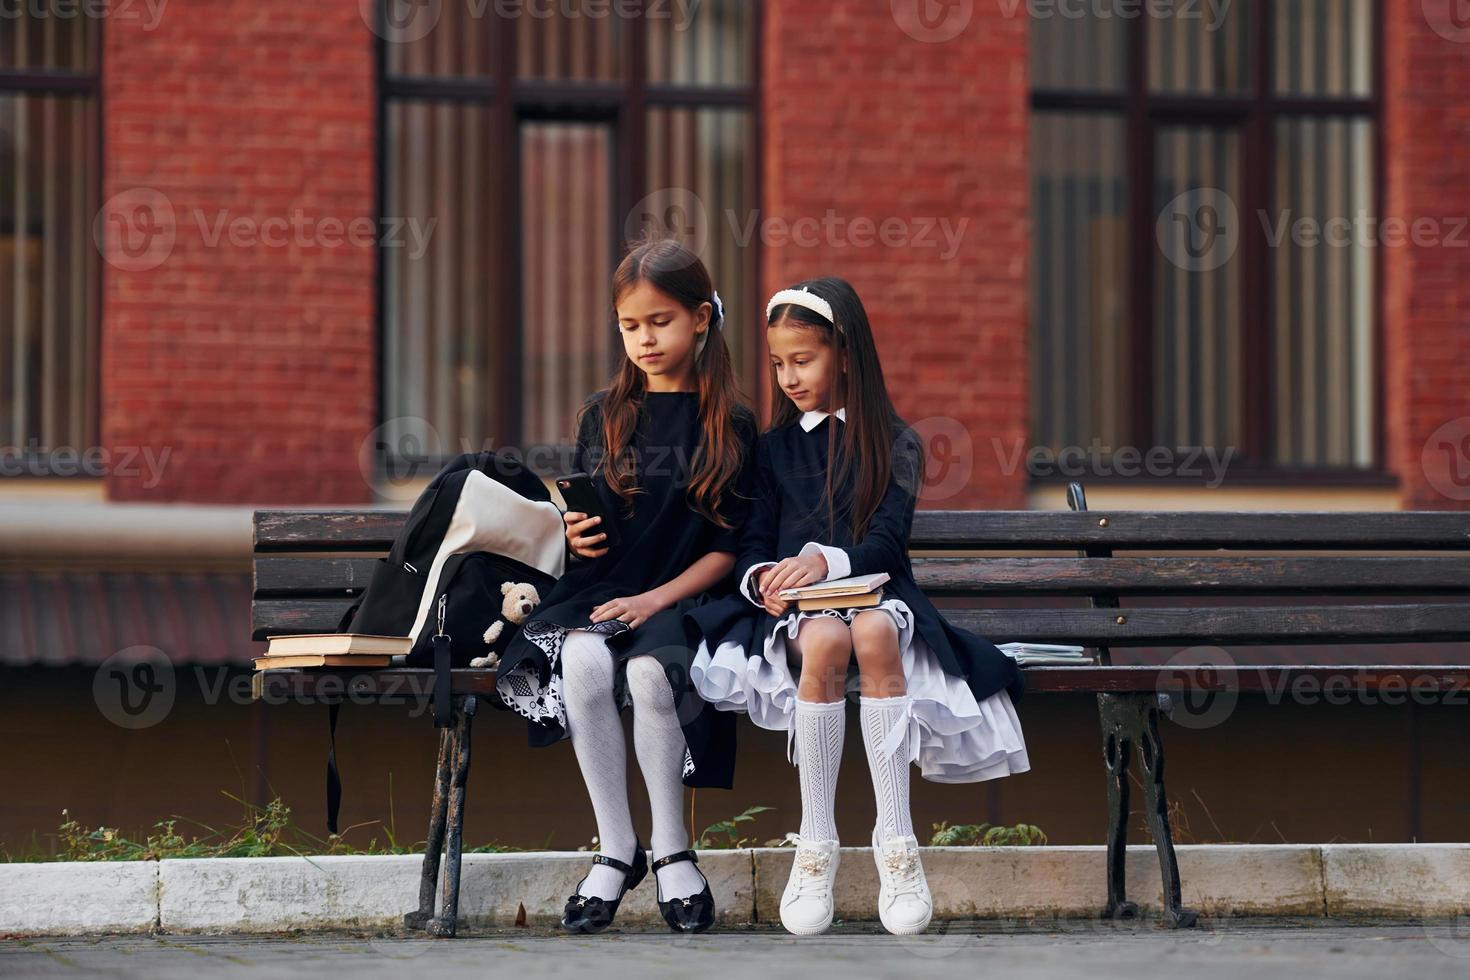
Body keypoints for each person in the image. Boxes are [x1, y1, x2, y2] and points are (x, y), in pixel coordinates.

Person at [686, 277, 1028, 937]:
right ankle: (816, 844)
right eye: (779, 362)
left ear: (844, 353)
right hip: (796, 617)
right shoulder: (771, 449)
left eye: (803, 360)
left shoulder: (895, 443)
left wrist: (825, 560)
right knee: (824, 642)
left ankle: (896, 843)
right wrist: (766, 581)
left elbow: (886, 542)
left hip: (876, 596)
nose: (789, 376)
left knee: (870, 633)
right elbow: (753, 541)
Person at [495, 239, 757, 934]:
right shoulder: (602, 414)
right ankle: (617, 848)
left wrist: (655, 600)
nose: (644, 338)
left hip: (687, 599)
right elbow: (589, 524)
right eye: (630, 325)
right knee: (579, 658)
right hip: (608, 588)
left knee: (647, 675)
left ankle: (672, 848)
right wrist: (574, 534)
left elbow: (728, 550)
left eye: (660, 322)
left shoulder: (730, 423)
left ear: (701, 319)